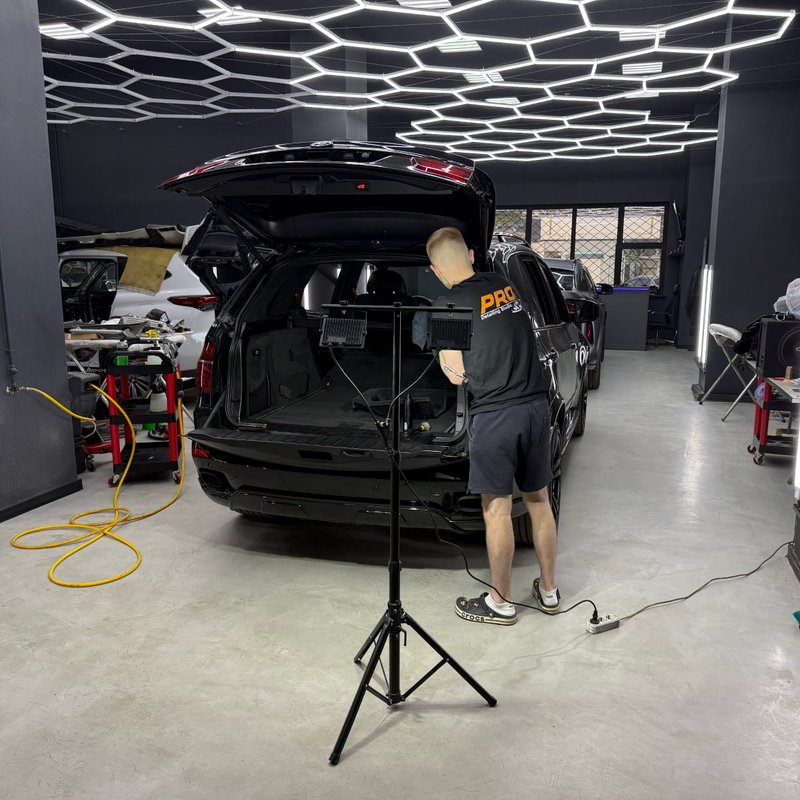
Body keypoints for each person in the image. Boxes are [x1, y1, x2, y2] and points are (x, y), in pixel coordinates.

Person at [425, 226, 560, 626]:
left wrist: (442, 352)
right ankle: (549, 591)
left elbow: (455, 375)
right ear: (470, 255)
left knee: (497, 510)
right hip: (535, 406)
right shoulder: (504, 285)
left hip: (496, 415)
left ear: (435, 271)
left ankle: (500, 603)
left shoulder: (448, 306)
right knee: (539, 501)